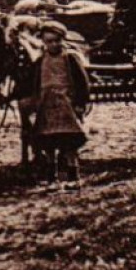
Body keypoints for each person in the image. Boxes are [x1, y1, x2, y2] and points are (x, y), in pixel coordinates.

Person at [31, 22, 91, 185]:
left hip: (66, 104)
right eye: (49, 41)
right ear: (43, 42)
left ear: (63, 40)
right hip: (47, 105)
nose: (53, 44)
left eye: (57, 40)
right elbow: (34, 82)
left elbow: (82, 81)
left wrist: (81, 102)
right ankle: (52, 177)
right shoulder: (40, 60)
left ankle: (73, 177)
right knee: (48, 142)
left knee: (69, 141)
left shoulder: (70, 58)